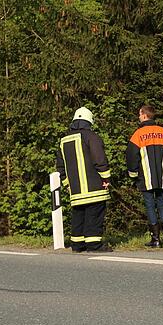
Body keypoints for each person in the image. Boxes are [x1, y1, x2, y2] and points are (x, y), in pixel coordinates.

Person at [57, 106, 112, 252]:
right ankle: (94, 245)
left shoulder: (64, 140)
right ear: (89, 121)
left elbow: (61, 167)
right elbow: (99, 159)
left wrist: (67, 184)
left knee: (78, 215)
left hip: (75, 189)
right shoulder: (91, 137)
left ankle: (77, 244)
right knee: (94, 214)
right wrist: (106, 177)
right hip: (94, 187)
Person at [126, 105, 163, 248]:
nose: (138, 117)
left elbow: (131, 156)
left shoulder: (138, 134)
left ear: (144, 115)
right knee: (162, 204)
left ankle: (156, 239)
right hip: (162, 176)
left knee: (150, 206)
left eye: (139, 114)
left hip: (145, 177)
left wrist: (133, 174)